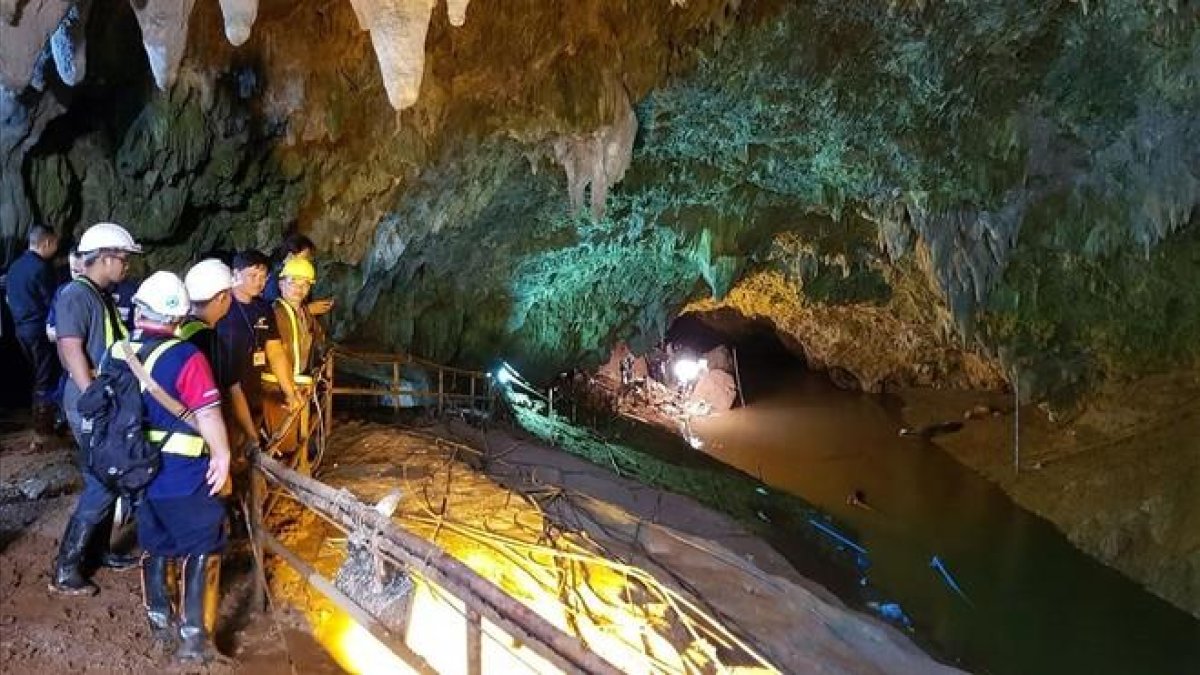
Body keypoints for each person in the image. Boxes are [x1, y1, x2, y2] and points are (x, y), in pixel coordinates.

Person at [118, 271, 231, 663]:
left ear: (139, 311)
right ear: (180, 318)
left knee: (156, 544)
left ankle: (160, 625)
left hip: (136, 474)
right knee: (206, 542)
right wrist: (222, 456)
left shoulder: (116, 353)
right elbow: (209, 414)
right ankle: (196, 643)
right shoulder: (186, 356)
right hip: (180, 473)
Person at [49, 222, 142, 596]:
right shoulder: (76, 294)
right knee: (103, 481)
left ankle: (99, 551)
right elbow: (70, 347)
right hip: (91, 400)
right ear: (105, 258)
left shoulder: (99, 294)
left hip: (104, 396)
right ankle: (66, 568)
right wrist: (93, 395)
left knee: (108, 476)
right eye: (124, 259)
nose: (127, 267)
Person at [182, 259, 258, 473]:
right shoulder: (211, 340)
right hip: (207, 439)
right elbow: (233, 391)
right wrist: (251, 435)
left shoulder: (179, 330)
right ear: (222, 297)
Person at [216, 250, 299, 436]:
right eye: (252, 276)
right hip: (224, 392)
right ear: (235, 274)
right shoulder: (221, 307)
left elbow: (275, 352)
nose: (258, 282)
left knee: (249, 444)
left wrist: (290, 392)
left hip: (253, 387)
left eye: (263, 276)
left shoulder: (263, 309)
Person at [262, 256, 325, 467]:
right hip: (278, 387)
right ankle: (279, 489)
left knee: (296, 438)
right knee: (283, 442)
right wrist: (289, 389)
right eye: (293, 282)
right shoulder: (275, 313)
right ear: (280, 284)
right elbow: (275, 353)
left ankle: (293, 478)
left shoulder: (301, 312)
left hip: (296, 384)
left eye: (304, 284)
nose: (299, 288)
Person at [4, 224, 61, 445]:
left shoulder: (15, 266)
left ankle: (40, 425)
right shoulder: (41, 268)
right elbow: (51, 301)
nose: (56, 249)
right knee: (45, 377)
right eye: (55, 244)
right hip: (39, 329)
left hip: (20, 329)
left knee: (36, 375)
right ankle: (43, 431)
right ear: (45, 243)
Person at [263, 232, 333, 315]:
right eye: (305, 257)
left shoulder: (304, 275)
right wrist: (308, 310)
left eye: (310, 258)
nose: (308, 262)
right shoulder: (275, 279)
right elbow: (270, 313)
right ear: (290, 256)